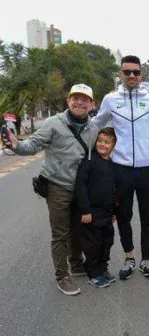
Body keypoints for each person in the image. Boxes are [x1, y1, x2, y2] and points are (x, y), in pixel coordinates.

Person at [1, 84, 99, 296]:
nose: (80, 102)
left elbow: (99, 157)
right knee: (60, 233)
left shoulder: (94, 128)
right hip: (57, 186)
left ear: (92, 104)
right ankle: (62, 275)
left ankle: (76, 262)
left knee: (78, 229)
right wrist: (16, 144)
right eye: (76, 98)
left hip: (81, 189)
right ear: (68, 101)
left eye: (85, 99)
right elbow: (32, 145)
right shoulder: (54, 123)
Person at [93, 55, 149, 280]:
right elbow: (96, 124)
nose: (132, 75)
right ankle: (129, 256)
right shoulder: (110, 99)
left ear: (141, 74)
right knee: (123, 214)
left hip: (146, 169)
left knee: (147, 216)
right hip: (120, 169)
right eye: (127, 72)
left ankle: (146, 259)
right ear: (121, 74)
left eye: (136, 72)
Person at [74, 127, 118, 288]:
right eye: (100, 140)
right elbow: (81, 186)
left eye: (107, 142)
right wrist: (85, 210)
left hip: (106, 213)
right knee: (92, 245)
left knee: (107, 242)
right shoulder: (89, 161)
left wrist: (114, 212)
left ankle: (102, 268)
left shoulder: (112, 164)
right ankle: (94, 272)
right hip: (90, 213)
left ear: (113, 146)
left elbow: (113, 190)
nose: (102, 144)